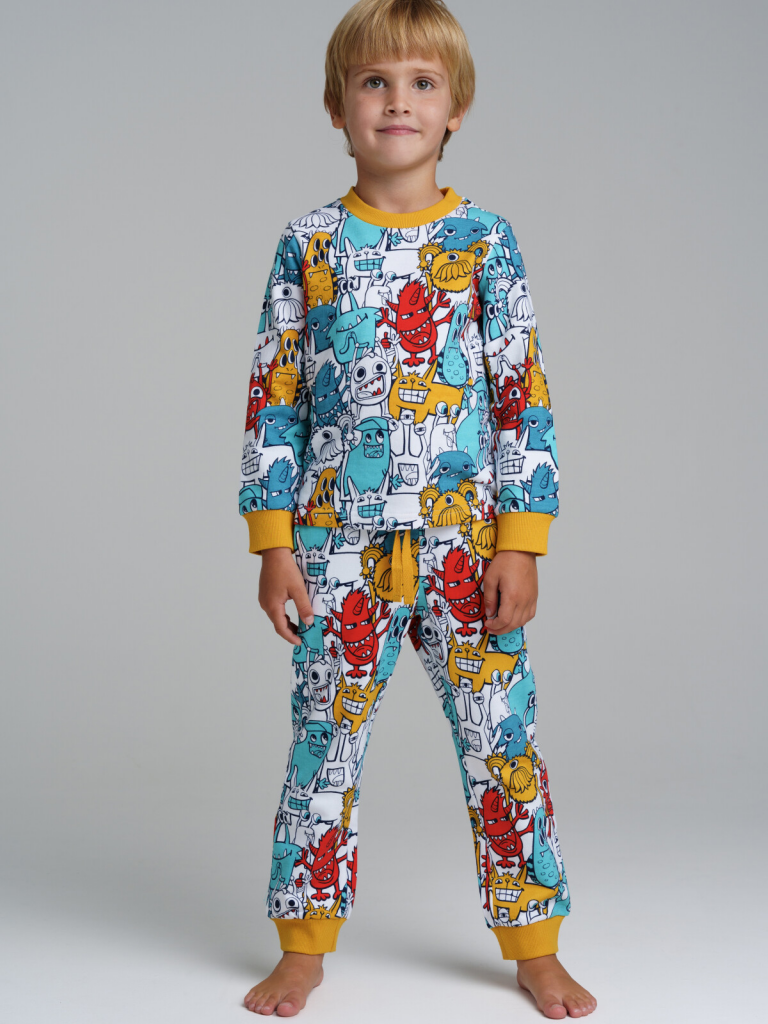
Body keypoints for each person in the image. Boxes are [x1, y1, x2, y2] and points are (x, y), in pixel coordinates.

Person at [238, 1, 596, 1017]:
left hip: (467, 549)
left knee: (502, 744)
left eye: (422, 84)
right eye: (375, 82)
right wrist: (273, 542)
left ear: (455, 109)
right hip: (336, 549)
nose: (398, 101)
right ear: (337, 106)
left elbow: (522, 393)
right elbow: (274, 396)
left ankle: (534, 944)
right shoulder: (308, 244)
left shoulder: (485, 241)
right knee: (323, 746)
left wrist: (522, 541)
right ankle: (303, 945)